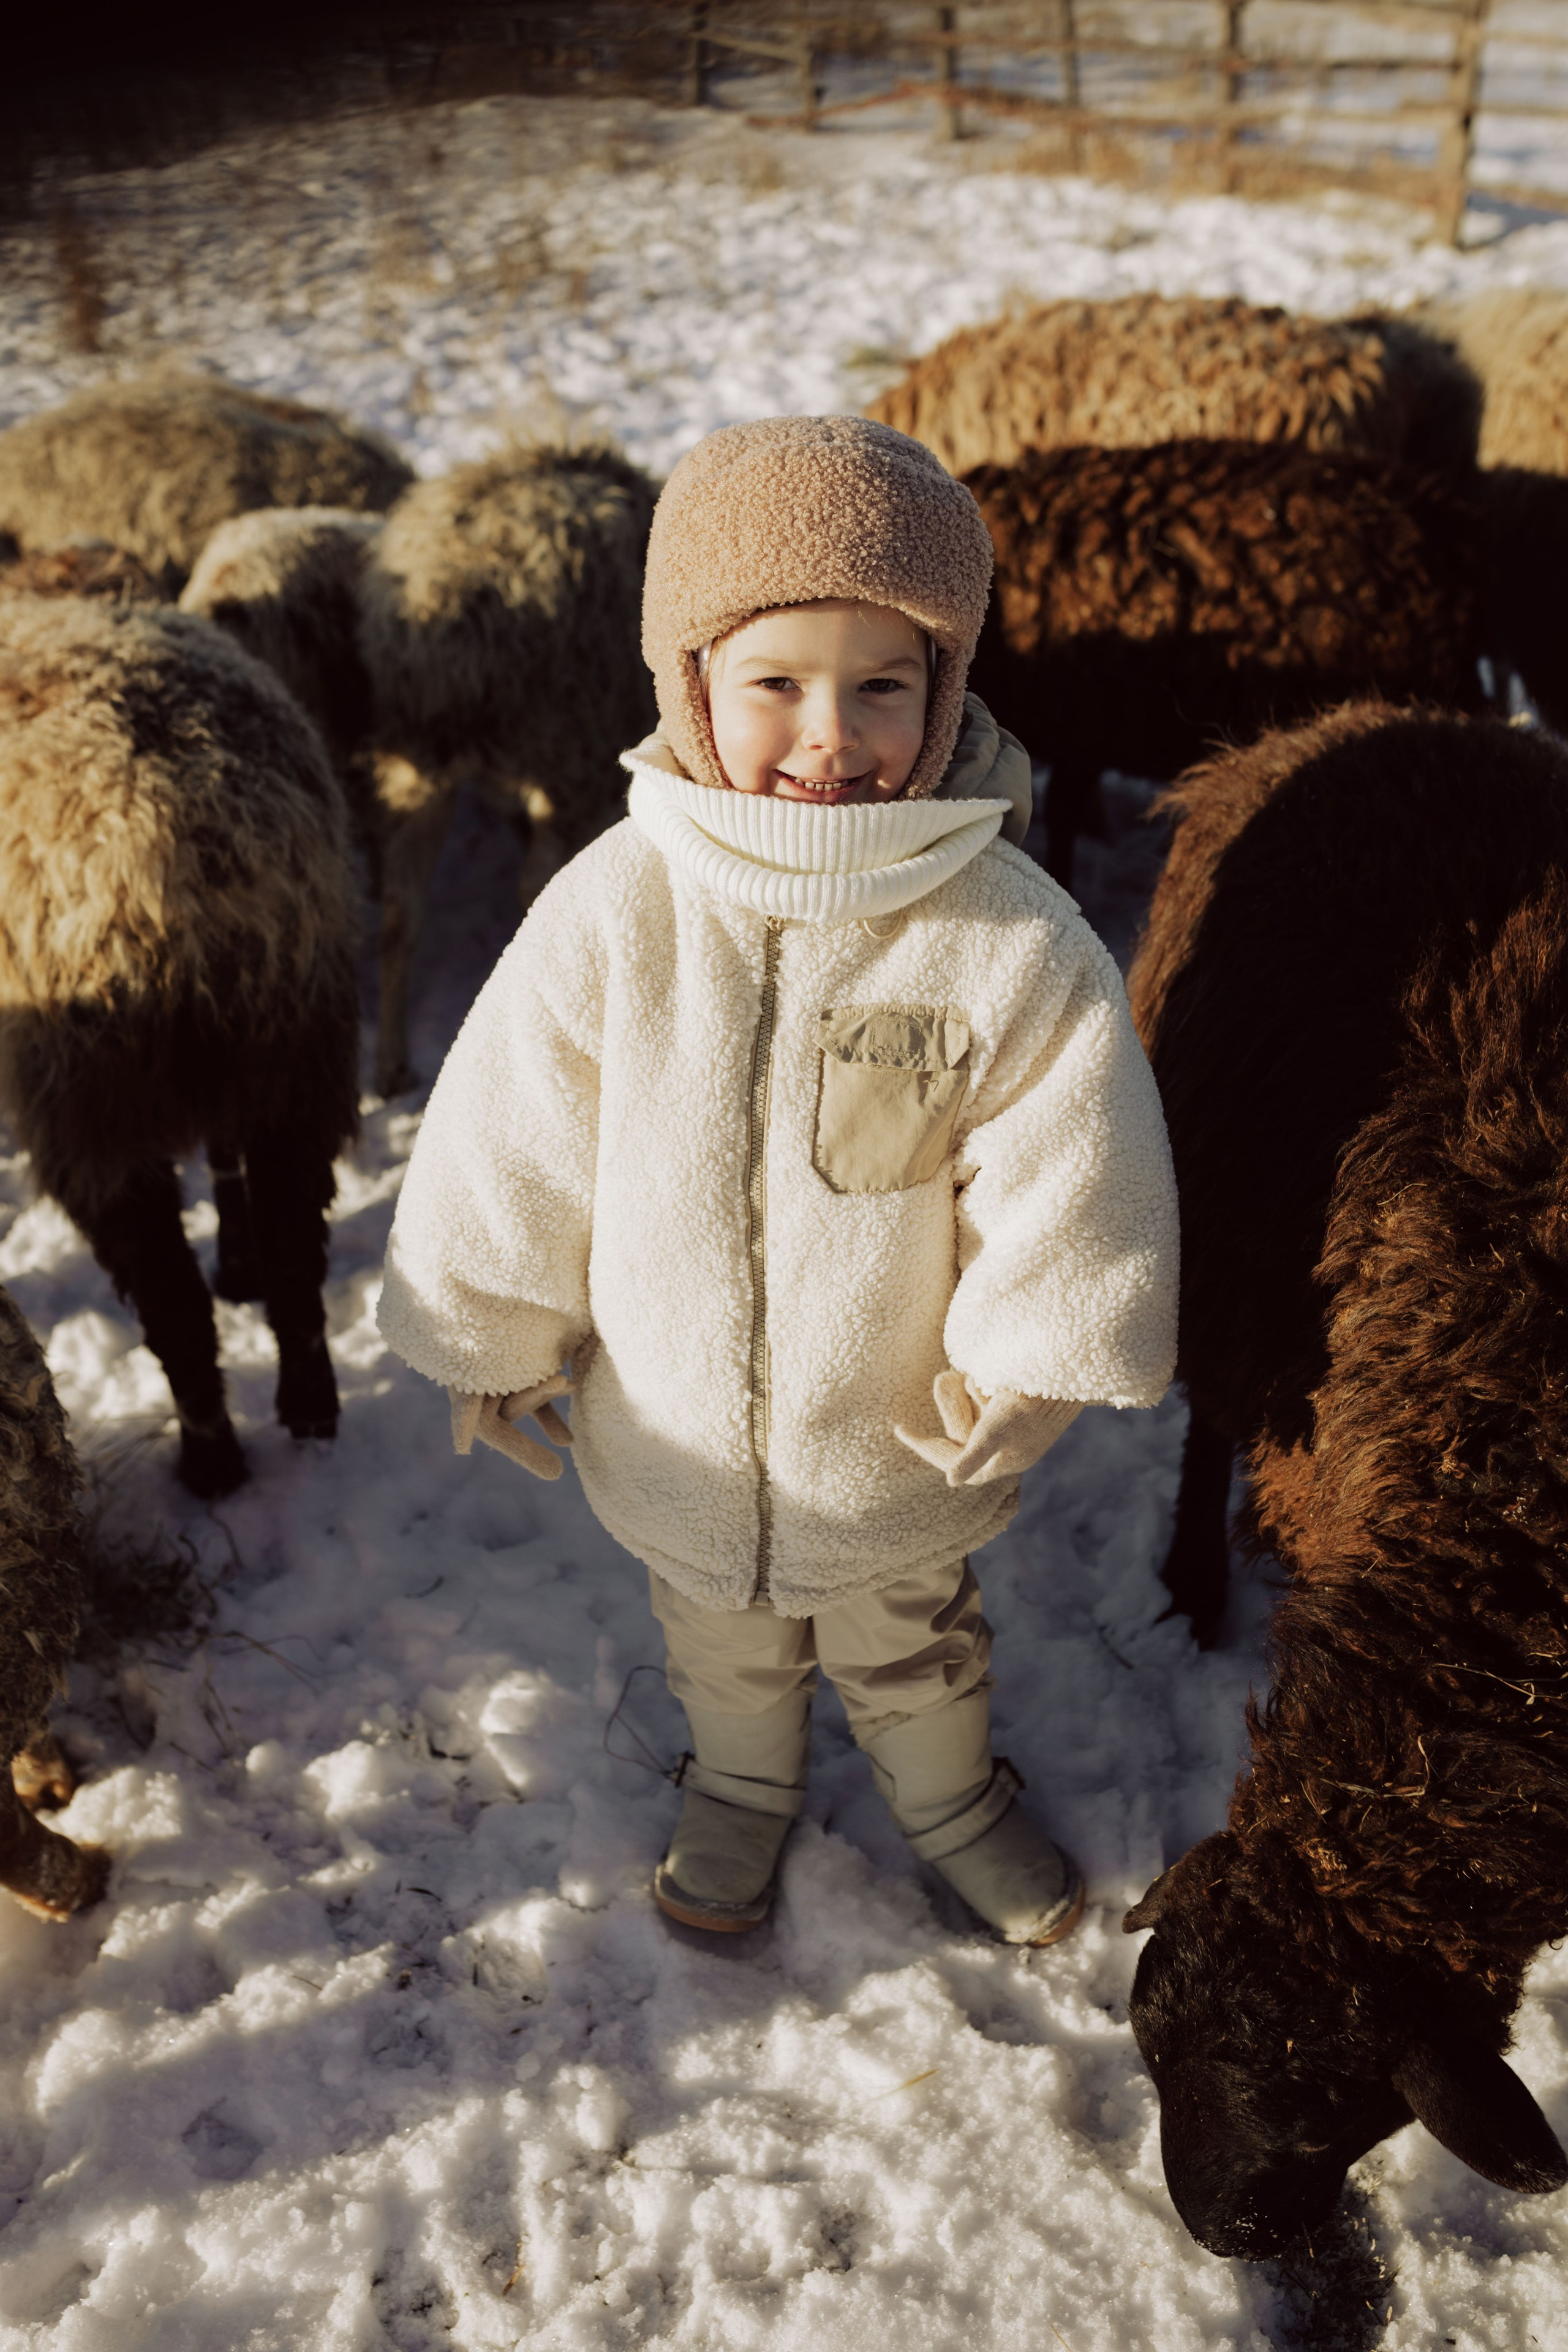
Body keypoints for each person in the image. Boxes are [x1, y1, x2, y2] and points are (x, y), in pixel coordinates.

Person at [377, 415, 1177, 1946]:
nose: (829, 736)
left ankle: (948, 1798)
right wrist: (488, 1332)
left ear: (942, 694)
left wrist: (1031, 1353)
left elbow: (1066, 1152)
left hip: (891, 1434)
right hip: (676, 1423)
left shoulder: (997, 930)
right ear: (690, 685)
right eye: (775, 686)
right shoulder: (619, 907)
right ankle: (739, 1785)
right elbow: (518, 1125)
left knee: (912, 1642)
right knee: (722, 1639)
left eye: (881, 686)